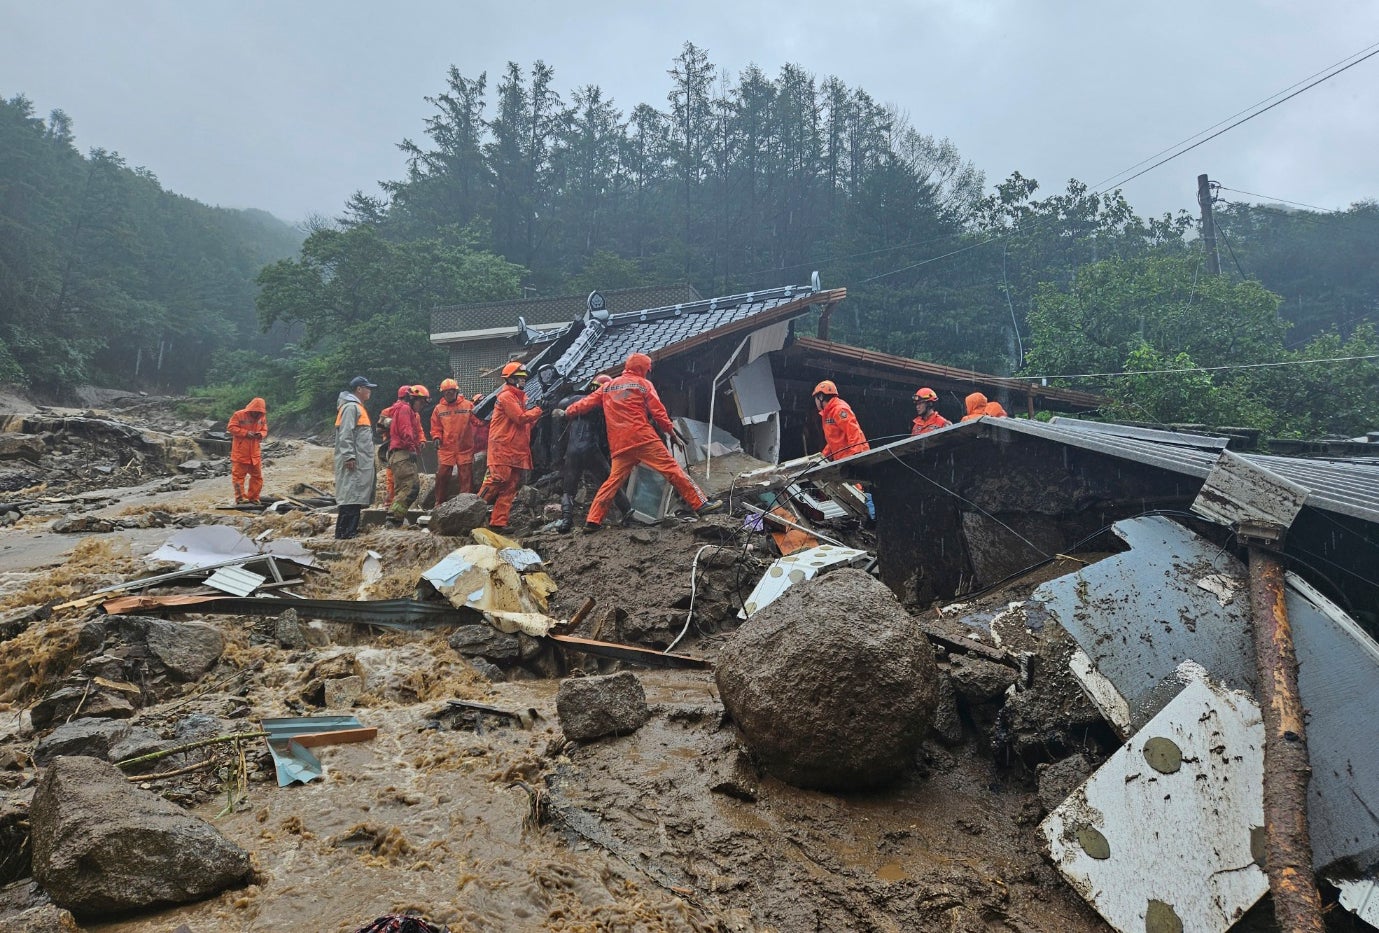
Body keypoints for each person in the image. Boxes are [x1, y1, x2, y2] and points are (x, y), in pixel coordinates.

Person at [561, 352, 721, 533]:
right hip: (644, 439)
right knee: (672, 470)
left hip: (620, 445)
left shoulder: (607, 387)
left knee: (611, 483)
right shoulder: (644, 385)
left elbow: (585, 403)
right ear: (643, 369)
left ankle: (593, 520)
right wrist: (671, 433)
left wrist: (567, 412)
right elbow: (659, 413)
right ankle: (701, 504)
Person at [551, 374, 631, 533]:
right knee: (610, 482)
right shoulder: (606, 404)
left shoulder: (578, 400)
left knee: (569, 488)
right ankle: (627, 513)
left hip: (573, 450)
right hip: (591, 449)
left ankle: (566, 521)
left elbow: (561, 404)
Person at [477, 362, 544, 531]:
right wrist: (538, 411)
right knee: (495, 481)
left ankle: (498, 523)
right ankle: (472, 512)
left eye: (524, 378)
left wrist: (538, 414)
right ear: (511, 379)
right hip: (503, 448)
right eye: (520, 378)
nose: (524, 381)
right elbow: (520, 418)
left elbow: (525, 425)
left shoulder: (519, 399)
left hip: (516, 450)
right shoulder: (506, 397)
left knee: (510, 487)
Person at [334, 376, 377, 539]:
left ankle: (348, 533)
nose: (369, 391)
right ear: (359, 389)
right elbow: (345, 434)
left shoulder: (357, 407)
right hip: (354, 461)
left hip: (359, 460)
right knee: (350, 496)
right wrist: (349, 456)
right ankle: (345, 534)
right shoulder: (351, 407)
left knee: (355, 495)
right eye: (367, 388)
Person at [382, 384, 427, 526]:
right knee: (410, 488)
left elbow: (415, 430)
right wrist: (412, 448)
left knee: (405, 488)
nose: (422, 405)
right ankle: (393, 518)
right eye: (421, 402)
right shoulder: (405, 409)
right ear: (414, 399)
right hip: (402, 454)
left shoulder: (404, 410)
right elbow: (405, 430)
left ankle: (395, 519)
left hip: (399, 454)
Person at [431, 378, 476, 504]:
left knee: (466, 476)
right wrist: (436, 437)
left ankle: (465, 504)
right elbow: (436, 427)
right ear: (443, 393)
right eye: (446, 392)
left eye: (451, 392)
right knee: (442, 476)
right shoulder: (439, 409)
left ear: (456, 391)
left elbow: (477, 421)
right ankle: (439, 503)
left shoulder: (468, 405)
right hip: (446, 448)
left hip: (465, 447)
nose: (448, 394)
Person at [812, 380, 870, 461]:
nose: (815, 402)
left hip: (852, 458)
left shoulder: (839, 409)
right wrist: (822, 457)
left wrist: (857, 456)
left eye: (815, 398)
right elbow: (833, 440)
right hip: (844, 460)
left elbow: (853, 431)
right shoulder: (828, 413)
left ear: (821, 397)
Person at [226, 397, 268, 504]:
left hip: (255, 453)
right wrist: (245, 433)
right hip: (241, 453)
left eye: (258, 412)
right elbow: (231, 427)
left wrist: (260, 434)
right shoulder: (238, 415)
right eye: (255, 411)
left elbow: (264, 430)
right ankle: (240, 498)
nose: (256, 413)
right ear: (251, 408)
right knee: (238, 477)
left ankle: (253, 498)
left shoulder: (262, 418)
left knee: (257, 477)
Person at [377, 386, 410, 507]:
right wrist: (391, 423)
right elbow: (379, 430)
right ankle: (389, 503)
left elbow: (418, 430)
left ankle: (401, 504)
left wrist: (421, 440)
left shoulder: (412, 413)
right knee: (392, 476)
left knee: (407, 478)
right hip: (391, 447)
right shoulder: (388, 411)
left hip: (407, 447)